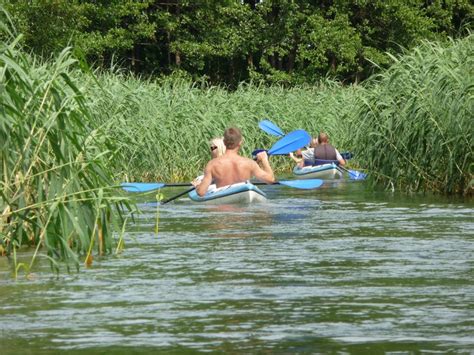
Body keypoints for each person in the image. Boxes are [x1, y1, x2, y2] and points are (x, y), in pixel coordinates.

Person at [193, 127, 275, 197]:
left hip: (222, 206)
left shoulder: (212, 164)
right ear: (240, 142)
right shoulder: (249, 163)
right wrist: (264, 160)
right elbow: (270, 180)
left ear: (224, 142)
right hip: (243, 195)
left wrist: (197, 187)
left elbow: (201, 192)